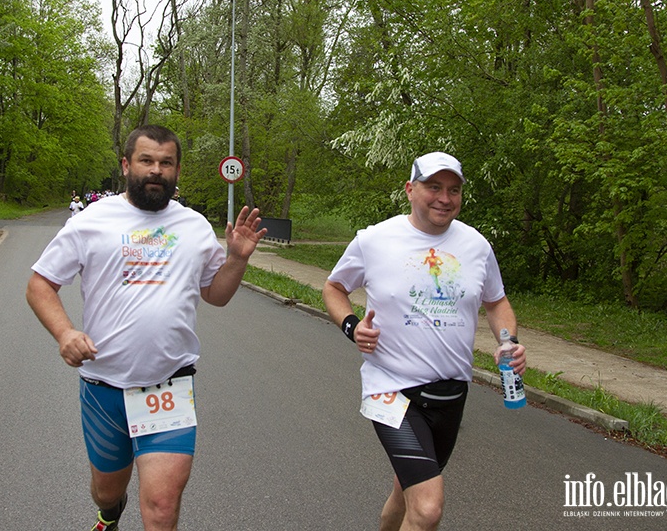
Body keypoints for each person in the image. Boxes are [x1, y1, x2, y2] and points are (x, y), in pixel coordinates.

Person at [26, 124, 266, 531]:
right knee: (106, 490)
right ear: (126, 165)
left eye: (166, 163)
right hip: (104, 386)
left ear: (176, 171)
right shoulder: (91, 221)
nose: (156, 170)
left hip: (168, 386)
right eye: (146, 161)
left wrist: (237, 260)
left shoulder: (193, 226)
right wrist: (66, 333)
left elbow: (216, 294)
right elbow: (40, 284)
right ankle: (108, 512)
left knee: (161, 504)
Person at [322, 151, 526, 531]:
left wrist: (507, 340)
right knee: (428, 507)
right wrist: (352, 326)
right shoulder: (375, 240)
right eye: (433, 187)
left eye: (453, 190)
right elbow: (334, 287)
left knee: (407, 495)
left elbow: (497, 302)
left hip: (451, 393)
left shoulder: (476, 246)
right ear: (410, 189)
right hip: (391, 390)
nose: (444, 198)